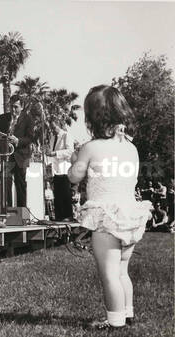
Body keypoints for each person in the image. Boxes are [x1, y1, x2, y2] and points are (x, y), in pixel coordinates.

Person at [68, 85, 152, 330]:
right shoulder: (131, 148)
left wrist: (75, 160)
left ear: (92, 118)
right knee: (122, 270)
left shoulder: (91, 147)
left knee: (109, 275)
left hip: (106, 219)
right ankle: (128, 313)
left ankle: (114, 321)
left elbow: (75, 177)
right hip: (130, 216)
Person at [0, 95, 34, 207]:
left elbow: (30, 138)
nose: (13, 110)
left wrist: (18, 140)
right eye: (11, 107)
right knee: (5, 183)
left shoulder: (28, 119)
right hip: (6, 155)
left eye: (16, 107)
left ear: (22, 107)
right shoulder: (2, 118)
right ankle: (7, 210)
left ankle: (22, 212)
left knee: (20, 184)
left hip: (22, 156)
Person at [46, 120, 74, 221]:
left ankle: (68, 215)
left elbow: (70, 151)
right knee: (57, 193)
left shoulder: (66, 135)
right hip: (55, 169)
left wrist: (55, 153)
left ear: (59, 125)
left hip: (64, 168)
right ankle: (59, 216)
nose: (52, 129)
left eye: (54, 127)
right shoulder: (53, 137)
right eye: (51, 127)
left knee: (65, 192)